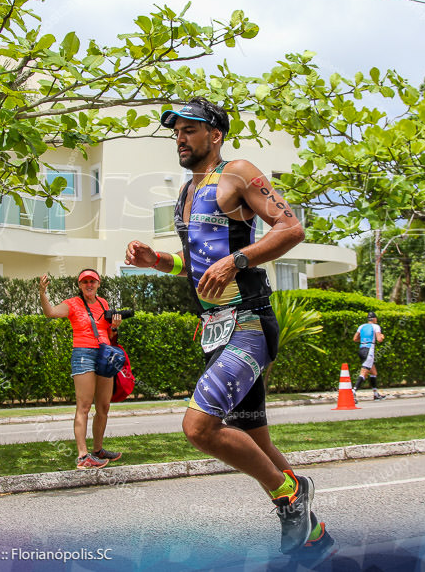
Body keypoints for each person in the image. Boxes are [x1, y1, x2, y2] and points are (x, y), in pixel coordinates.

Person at [123, 97, 331, 558]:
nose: (180, 136)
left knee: (199, 427)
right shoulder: (187, 192)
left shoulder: (236, 172)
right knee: (258, 444)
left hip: (249, 323)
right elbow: (195, 265)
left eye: (190, 129)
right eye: (176, 130)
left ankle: (292, 495)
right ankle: (313, 535)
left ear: (214, 135)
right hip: (216, 329)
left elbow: (290, 227)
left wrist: (237, 261)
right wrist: (154, 260)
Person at [38, 269, 124, 469]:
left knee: (103, 407)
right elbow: (50, 313)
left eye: (92, 281)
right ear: (79, 285)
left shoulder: (104, 303)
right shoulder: (72, 304)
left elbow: (109, 334)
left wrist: (115, 327)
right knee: (84, 407)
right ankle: (83, 456)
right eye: (84, 282)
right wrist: (43, 293)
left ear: (98, 283)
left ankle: (98, 450)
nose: (89, 285)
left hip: (105, 354)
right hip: (84, 354)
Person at [353, 312, 386, 400]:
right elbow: (379, 339)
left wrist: (364, 339)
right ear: (374, 319)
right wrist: (382, 336)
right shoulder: (376, 326)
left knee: (373, 372)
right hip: (369, 350)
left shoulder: (361, 326)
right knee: (364, 372)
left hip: (361, 349)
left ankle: (375, 394)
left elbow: (355, 339)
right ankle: (353, 391)